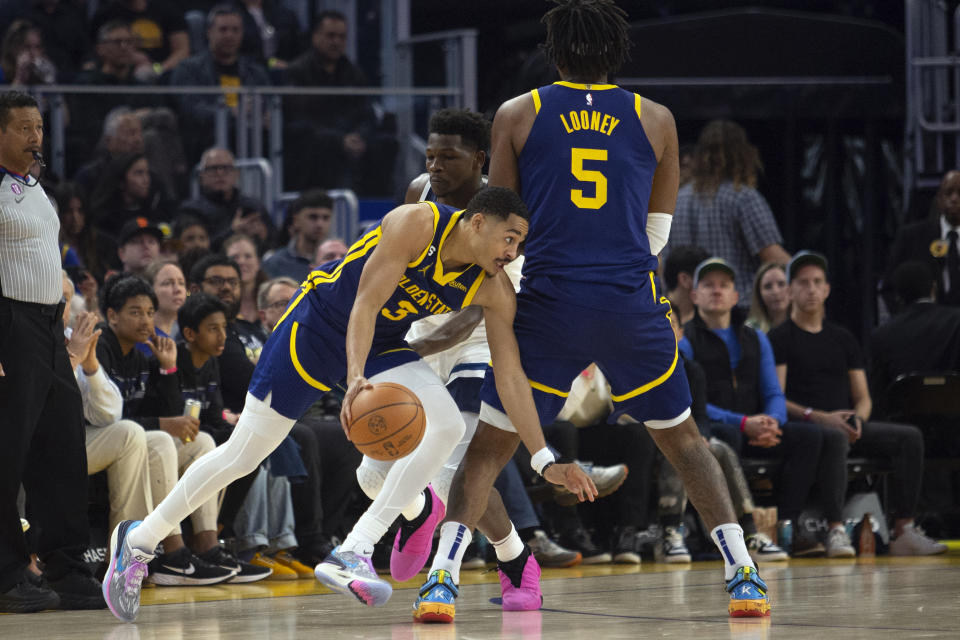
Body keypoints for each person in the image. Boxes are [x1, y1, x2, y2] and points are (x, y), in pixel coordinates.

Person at [416, 0, 769, 623]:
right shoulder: (655, 118)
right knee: (686, 444)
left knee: (488, 450)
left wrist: (523, 284)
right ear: (617, 52)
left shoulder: (518, 113)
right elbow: (657, 230)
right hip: (628, 302)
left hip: (550, 301)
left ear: (555, 52)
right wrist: (625, 277)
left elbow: (502, 216)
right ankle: (743, 575)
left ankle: (441, 581)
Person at [101, 185, 594, 622]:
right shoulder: (416, 223)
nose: (513, 252)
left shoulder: (493, 287)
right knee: (244, 453)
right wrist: (354, 377)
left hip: (382, 342)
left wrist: (543, 457)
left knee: (444, 424)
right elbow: (364, 302)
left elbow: (509, 376)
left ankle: (354, 549)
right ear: (478, 222)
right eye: (509, 238)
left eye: (520, 243)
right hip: (318, 327)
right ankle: (140, 539)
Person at [0, 91, 103, 613]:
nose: (36, 137)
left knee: (63, 450)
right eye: (22, 128)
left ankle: (66, 567)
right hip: (8, 324)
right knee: (6, 455)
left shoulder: (38, 190)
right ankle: (6, 574)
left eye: (38, 127)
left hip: (48, 325)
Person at [770, 251, 947, 557]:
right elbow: (777, 397)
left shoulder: (843, 337)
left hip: (846, 426)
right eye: (802, 282)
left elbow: (863, 397)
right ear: (790, 290)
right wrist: (821, 417)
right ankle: (835, 528)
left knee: (910, 438)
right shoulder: (780, 337)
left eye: (817, 282)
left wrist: (858, 421)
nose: (811, 289)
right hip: (808, 426)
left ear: (827, 289)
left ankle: (903, 528)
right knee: (834, 436)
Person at [96, 274, 240, 586]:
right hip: (97, 437)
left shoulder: (140, 355)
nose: (146, 320)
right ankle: (173, 549)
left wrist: (168, 368)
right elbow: (108, 419)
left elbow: (166, 413)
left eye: (150, 312)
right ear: (111, 316)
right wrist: (162, 424)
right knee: (161, 438)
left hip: (132, 439)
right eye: (135, 312)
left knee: (201, 440)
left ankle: (206, 541)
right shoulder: (101, 347)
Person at [680, 258, 823, 558]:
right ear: (694, 296)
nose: (717, 291)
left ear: (736, 296)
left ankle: (788, 526)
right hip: (724, 426)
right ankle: (727, 533)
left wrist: (772, 422)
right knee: (724, 438)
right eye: (708, 285)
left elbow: (773, 392)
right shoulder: (686, 342)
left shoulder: (756, 338)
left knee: (813, 438)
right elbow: (693, 404)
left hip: (758, 429)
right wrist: (744, 423)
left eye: (724, 285)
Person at [174, 292, 274, 582]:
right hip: (174, 439)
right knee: (219, 446)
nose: (222, 337)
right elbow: (170, 413)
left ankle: (216, 532)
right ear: (191, 333)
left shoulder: (211, 363)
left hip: (201, 434)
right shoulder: (174, 361)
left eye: (225, 329)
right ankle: (197, 540)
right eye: (213, 329)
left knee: (249, 448)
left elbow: (215, 415)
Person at [667, 119, 791, 306]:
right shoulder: (743, 198)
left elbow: (662, 261)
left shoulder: (676, 200)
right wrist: (807, 274)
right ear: (743, 155)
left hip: (687, 309)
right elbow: (772, 256)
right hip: (735, 307)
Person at [284, 10, 397, 195]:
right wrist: (339, 140)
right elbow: (299, 119)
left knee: (385, 143)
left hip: (350, 138)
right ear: (315, 37)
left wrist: (359, 136)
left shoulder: (354, 73)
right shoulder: (297, 72)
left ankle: (380, 205)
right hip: (316, 139)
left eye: (341, 37)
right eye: (330, 35)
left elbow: (366, 114)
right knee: (315, 144)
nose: (336, 41)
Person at [169, 4, 270, 161]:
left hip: (252, 133)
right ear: (209, 32)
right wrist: (231, 113)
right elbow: (191, 109)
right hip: (207, 137)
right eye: (223, 30)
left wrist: (266, 114)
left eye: (235, 30)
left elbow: (268, 103)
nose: (229, 35)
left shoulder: (255, 71)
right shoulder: (188, 69)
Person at [870, 260, 960, 412]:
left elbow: (878, 394)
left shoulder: (882, 334)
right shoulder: (957, 320)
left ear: (898, 296)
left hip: (903, 424)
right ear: (934, 288)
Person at [886, 170, 960, 307]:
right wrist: (908, 322)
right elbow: (890, 287)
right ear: (939, 199)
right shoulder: (911, 237)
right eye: (948, 193)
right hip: (925, 326)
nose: (954, 199)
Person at [179, 147, 270, 239]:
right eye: (213, 168)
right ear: (202, 176)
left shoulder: (253, 206)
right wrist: (232, 232)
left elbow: (276, 242)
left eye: (226, 168)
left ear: (236, 174)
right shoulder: (191, 211)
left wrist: (264, 236)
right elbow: (193, 248)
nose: (220, 173)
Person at [90, 0, 189, 76]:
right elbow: (97, 50)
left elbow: (182, 50)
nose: (124, 45)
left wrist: (156, 69)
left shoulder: (166, 9)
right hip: (118, 74)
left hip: (161, 73)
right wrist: (127, 57)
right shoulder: (104, 15)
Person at [262, 190, 333, 282]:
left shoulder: (340, 260)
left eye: (325, 218)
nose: (320, 224)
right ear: (296, 221)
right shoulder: (274, 263)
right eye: (313, 217)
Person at [224, 233, 268, 325]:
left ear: (258, 263)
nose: (241, 262)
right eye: (235, 257)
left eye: (248, 256)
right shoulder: (218, 301)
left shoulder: (272, 297)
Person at [662, 244, 709, 326]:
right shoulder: (650, 318)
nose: (714, 289)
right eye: (707, 281)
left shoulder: (711, 320)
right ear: (684, 279)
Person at [144, 258, 186, 341]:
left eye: (181, 283)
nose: (178, 289)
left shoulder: (191, 335)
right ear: (150, 290)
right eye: (167, 283)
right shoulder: (138, 338)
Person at [746, 262, 789, 333]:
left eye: (781, 284)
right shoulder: (750, 329)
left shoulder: (804, 325)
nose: (775, 292)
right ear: (759, 293)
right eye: (768, 286)